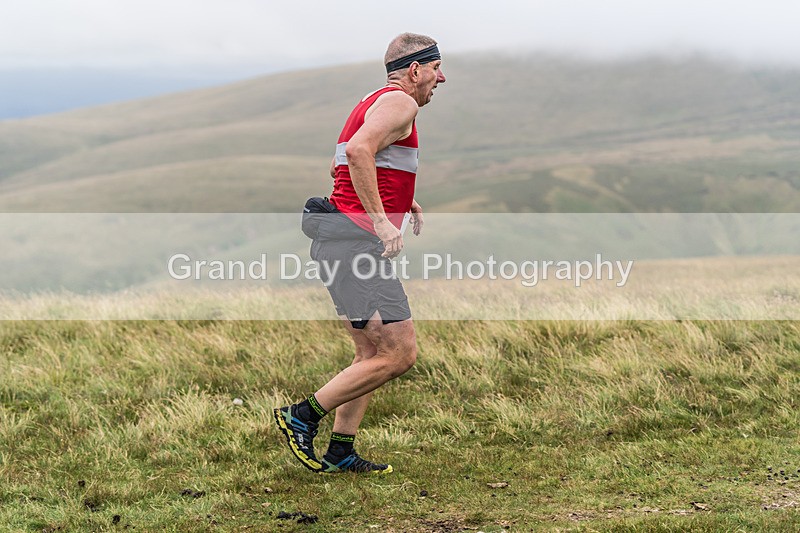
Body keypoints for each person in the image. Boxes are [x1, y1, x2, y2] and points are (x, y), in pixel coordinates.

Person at [274, 32, 446, 474]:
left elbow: (345, 167)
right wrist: (382, 220)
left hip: (339, 241)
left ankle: (340, 451)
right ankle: (302, 416)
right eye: (435, 68)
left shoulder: (373, 100)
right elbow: (357, 152)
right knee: (399, 353)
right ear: (415, 70)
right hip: (355, 245)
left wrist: (400, 199)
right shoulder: (401, 103)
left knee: (370, 353)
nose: (440, 78)